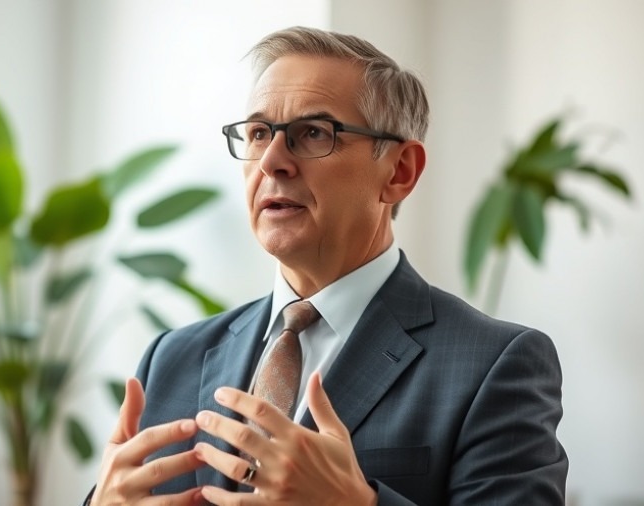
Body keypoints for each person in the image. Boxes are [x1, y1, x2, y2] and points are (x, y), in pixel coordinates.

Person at [87, 26, 568, 505]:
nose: (272, 160)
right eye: (258, 134)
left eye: (313, 133)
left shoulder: (496, 365)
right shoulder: (170, 359)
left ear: (399, 172)